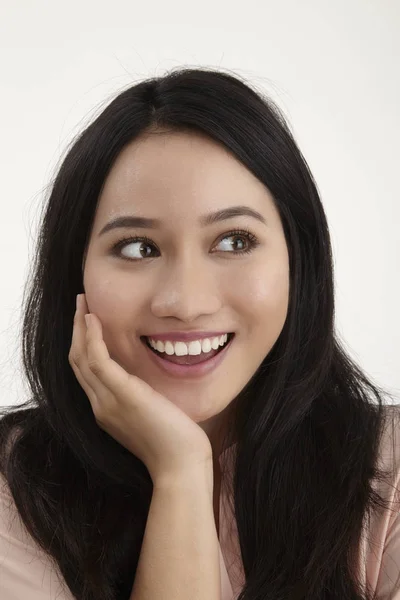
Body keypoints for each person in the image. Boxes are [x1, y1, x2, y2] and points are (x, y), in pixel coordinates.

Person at [0, 66, 399, 600]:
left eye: (234, 241)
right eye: (139, 247)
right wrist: (182, 473)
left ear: (297, 260)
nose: (186, 304)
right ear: (75, 273)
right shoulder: (14, 488)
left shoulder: (388, 473)